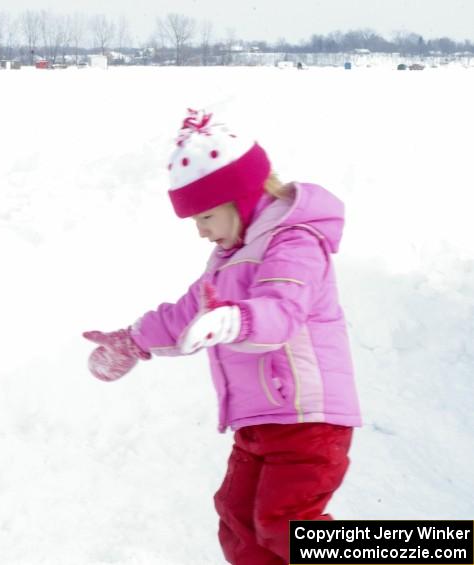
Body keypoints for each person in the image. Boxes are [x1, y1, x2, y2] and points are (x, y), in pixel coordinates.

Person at [83, 109, 361, 564]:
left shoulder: (295, 241)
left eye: (206, 216)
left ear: (243, 197)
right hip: (259, 424)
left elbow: (282, 309)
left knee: (286, 524)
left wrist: (236, 320)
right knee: (237, 520)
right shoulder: (226, 261)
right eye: (195, 222)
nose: (202, 231)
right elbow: (182, 315)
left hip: (309, 420)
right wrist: (132, 340)